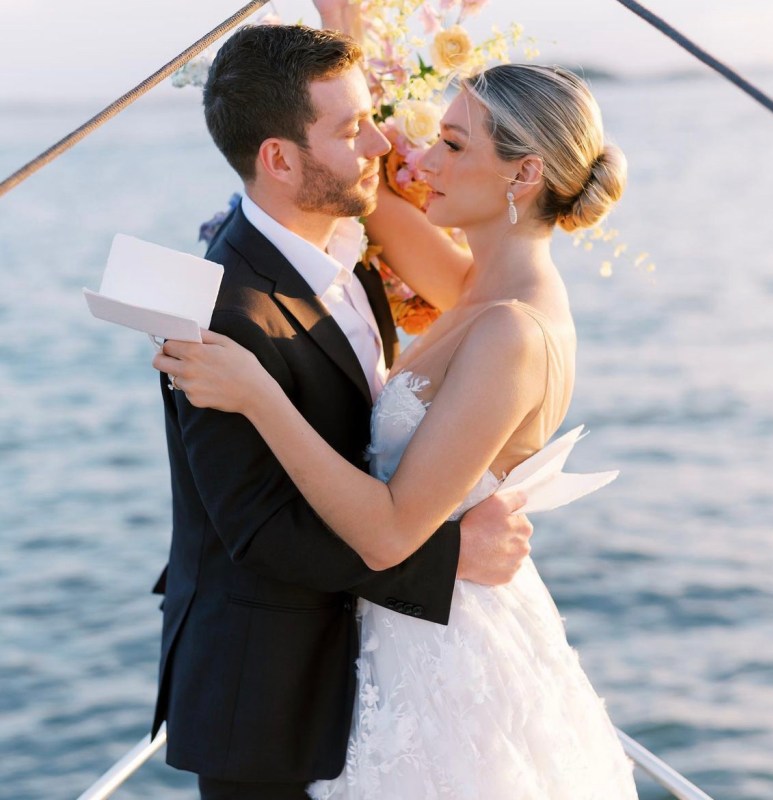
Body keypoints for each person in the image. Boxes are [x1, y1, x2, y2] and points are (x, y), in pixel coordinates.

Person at [156, 37, 639, 800]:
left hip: (450, 648)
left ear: (525, 172)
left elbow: (386, 532)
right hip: (382, 644)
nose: (415, 161)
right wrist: (343, 36)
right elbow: (350, 186)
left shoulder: (511, 329)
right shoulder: (473, 285)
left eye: (449, 144)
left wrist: (257, 393)